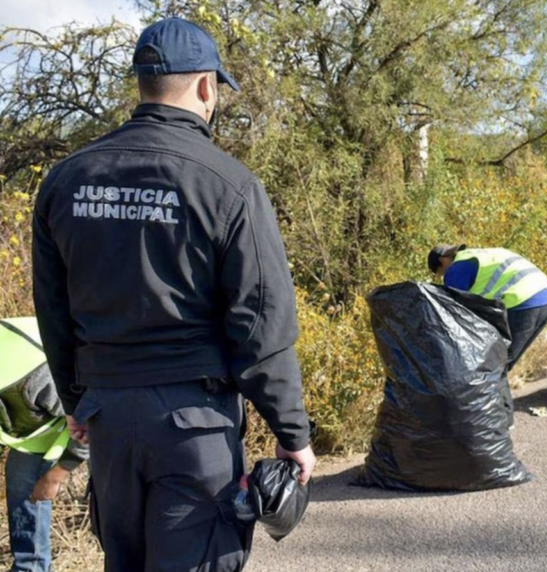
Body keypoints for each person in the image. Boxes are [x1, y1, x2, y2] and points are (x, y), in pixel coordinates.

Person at [32, 17, 315, 572]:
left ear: (143, 85)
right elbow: (260, 326)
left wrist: (77, 401)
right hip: (195, 425)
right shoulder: (228, 184)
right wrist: (292, 433)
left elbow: (54, 310)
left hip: (110, 415)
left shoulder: (66, 180)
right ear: (207, 87)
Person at [428, 244, 547, 423]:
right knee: (502, 361)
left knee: (496, 362)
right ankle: (497, 419)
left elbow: (454, 312)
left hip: (522, 302)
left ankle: (502, 422)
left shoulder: (457, 269)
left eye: (440, 272)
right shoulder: (481, 256)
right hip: (546, 297)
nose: (444, 277)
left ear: (443, 260)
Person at [0, 317, 88, 572]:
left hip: (97, 414)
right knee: (21, 482)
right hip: (36, 421)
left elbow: (92, 424)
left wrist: (56, 475)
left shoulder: (37, 375)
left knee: (111, 509)